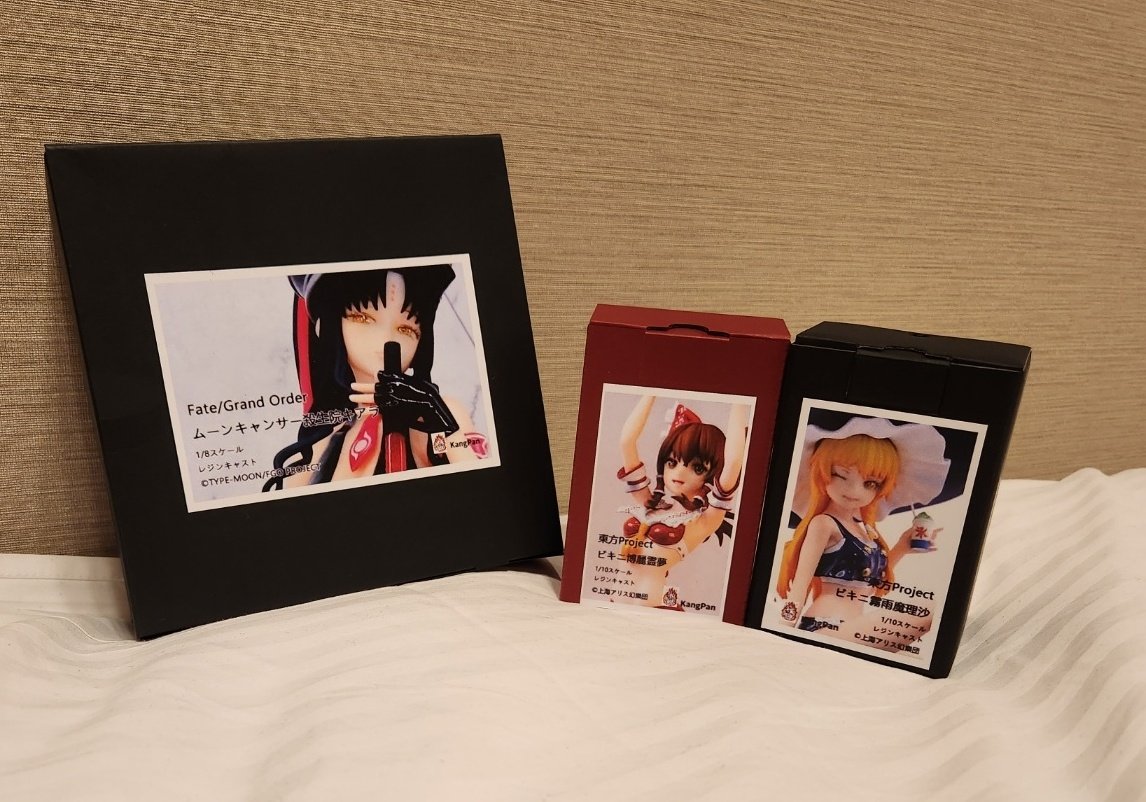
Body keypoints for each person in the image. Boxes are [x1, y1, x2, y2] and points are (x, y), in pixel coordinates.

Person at [263, 265, 482, 491]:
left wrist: (444, 426)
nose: (387, 339)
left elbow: (482, 488)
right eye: (363, 318)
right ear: (325, 326)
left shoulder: (440, 415)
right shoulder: (320, 441)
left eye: (406, 329)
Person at [774, 416, 949, 644]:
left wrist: (902, 547)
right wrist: (782, 635)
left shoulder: (865, 531)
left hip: (853, 627)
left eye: (870, 483)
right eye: (841, 475)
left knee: (933, 611)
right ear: (821, 472)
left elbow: (869, 584)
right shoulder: (823, 524)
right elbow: (800, 586)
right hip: (824, 626)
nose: (855, 490)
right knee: (927, 611)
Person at [614, 396, 748, 609]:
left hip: (654, 612)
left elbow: (733, 463)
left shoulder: (703, 521)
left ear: (712, 474)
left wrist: (740, 398)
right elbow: (626, 442)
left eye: (697, 468)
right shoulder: (650, 502)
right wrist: (650, 391)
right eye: (672, 462)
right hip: (615, 603)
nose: (679, 473)